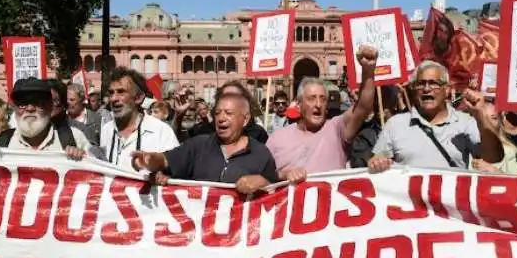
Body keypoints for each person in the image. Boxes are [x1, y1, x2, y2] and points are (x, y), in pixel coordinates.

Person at [367, 60, 504, 173]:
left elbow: (493, 157)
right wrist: (377, 163)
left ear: (447, 89)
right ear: (414, 90)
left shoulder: (465, 123)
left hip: (449, 205)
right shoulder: (395, 124)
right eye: (421, 84)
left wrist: (480, 114)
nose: (427, 89)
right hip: (411, 205)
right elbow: (376, 161)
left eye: (434, 83)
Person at [267, 45, 379, 180]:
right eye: (312, 99)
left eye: (323, 99)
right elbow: (263, 178)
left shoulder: (337, 129)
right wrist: (283, 175)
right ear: (299, 103)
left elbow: (363, 107)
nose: (318, 105)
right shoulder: (276, 138)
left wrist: (368, 71)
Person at [132, 92, 278, 194]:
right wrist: (150, 160)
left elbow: (278, 193)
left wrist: (264, 183)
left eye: (228, 113)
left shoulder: (261, 154)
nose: (221, 118)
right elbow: (165, 160)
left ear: (245, 119)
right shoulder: (198, 145)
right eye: (217, 113)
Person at [0, 78, 91, 156]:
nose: (30, 109)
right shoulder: (0, 142)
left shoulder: (75, 139)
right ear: (15, 108)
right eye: (22, 103)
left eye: (37, 102)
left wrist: (83, 160)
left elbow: (99, 181)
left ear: (49, 106)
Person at [100, 68, 179, 172]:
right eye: (111, 93)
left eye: (121, 92)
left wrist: (162, 174)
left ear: (139, 98)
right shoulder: (107, 129)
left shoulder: (161, 130)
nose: (114, 98)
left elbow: (176, 168)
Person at [469, 101, 517, 174]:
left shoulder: (508, 150)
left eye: (494, 118)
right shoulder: (466, 145)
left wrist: (493, 170)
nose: (488, 123)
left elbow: (516, 181)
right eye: (483, 118)